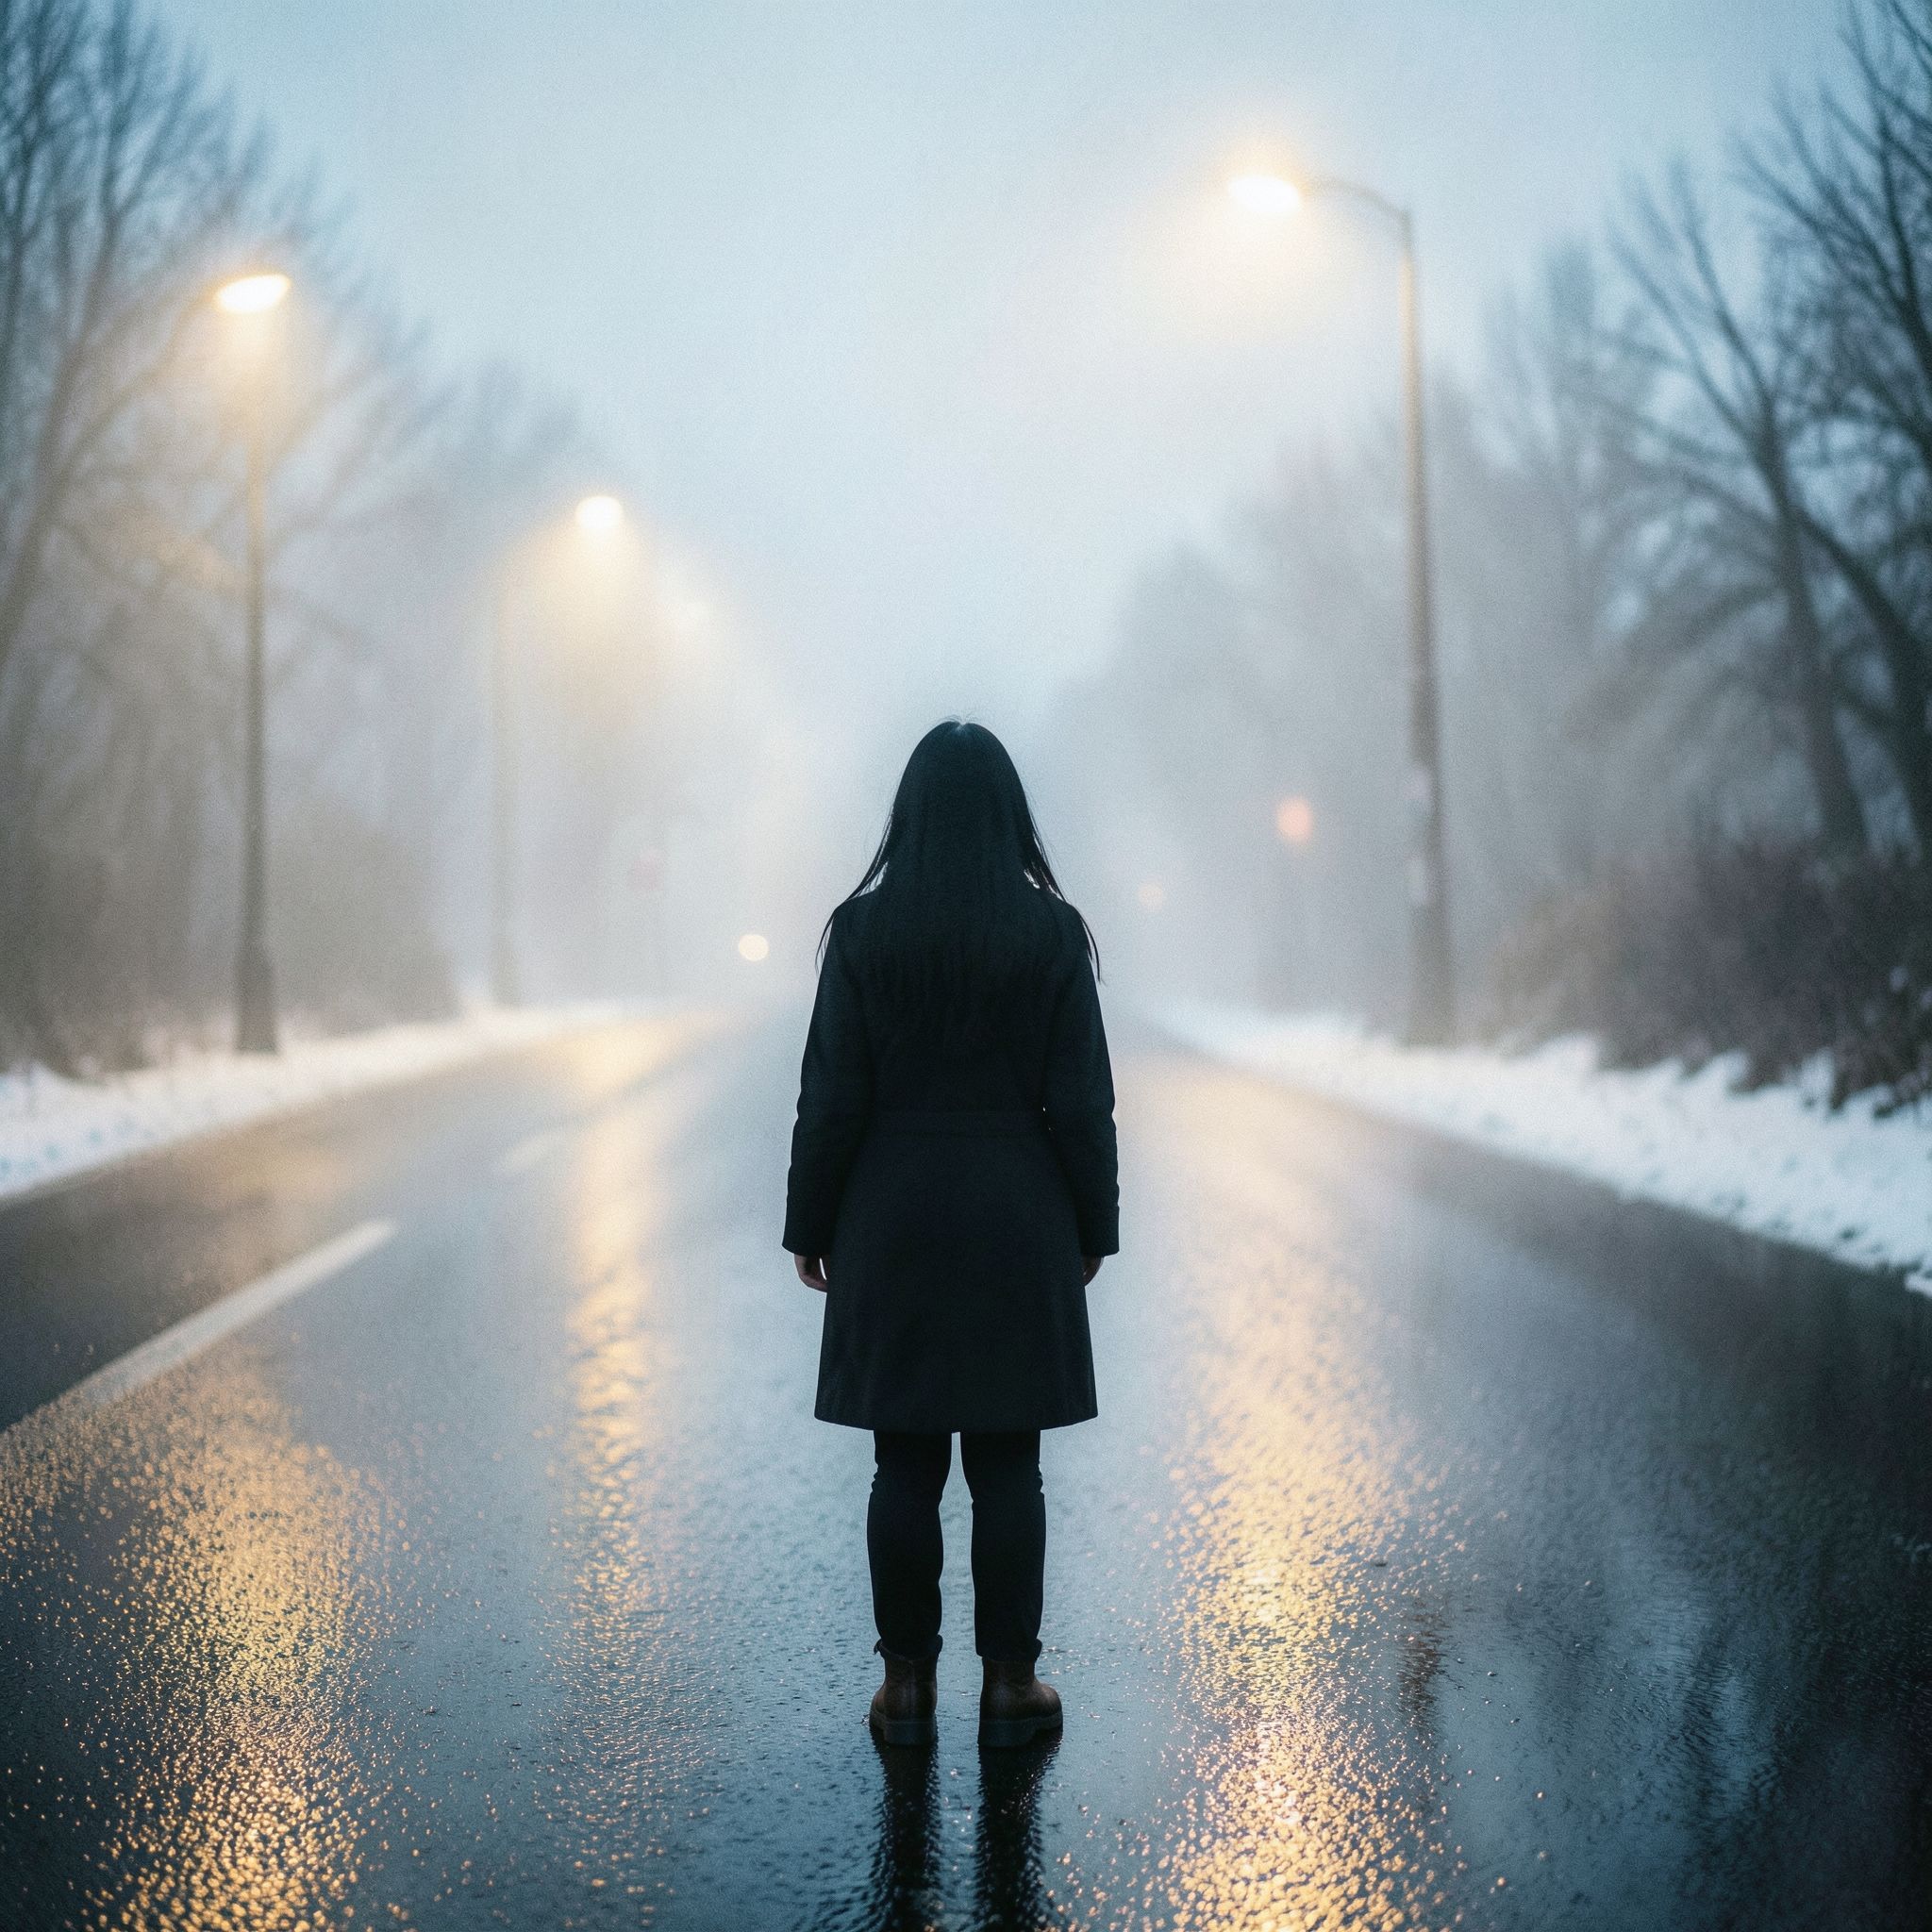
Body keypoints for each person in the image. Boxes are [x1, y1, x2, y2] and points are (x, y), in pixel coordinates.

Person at [783, 720, 1118, 1750]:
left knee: (905, 1467)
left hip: (891, 1221)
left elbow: (829, 1098)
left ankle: (905, 1688)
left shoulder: (860, 932)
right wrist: (1092, 1224)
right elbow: (1083, 1101)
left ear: (909, 815)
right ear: (1010, 815)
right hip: (1018, 1218)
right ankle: (1011, 1685)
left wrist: (810, 1223)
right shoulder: (1051, 934)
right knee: (1009, 1466)